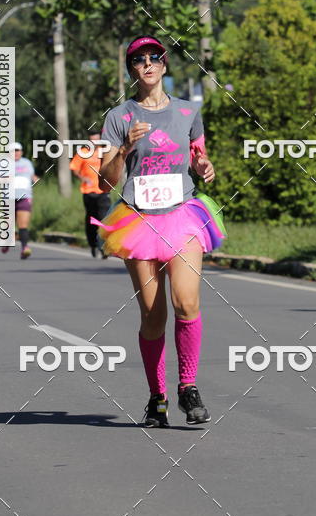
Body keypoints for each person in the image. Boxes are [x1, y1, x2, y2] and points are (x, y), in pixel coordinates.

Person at [92, 36, 226, 428]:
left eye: (154, 57)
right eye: (139, 59)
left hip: (183, 215)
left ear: (165, 65)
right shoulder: (119, 117)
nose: (147, 64)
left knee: (187, 302)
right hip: (139, 221)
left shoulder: (188, 112)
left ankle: (188, 387)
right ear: (132, 69)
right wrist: (123, 150)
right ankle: (157, 398)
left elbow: (199, 157)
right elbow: (104, 182)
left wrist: (204, 168)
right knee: (154, 316)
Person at [69, 132, 111, 258]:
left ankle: (104, 246)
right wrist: (82, 178)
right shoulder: (83, 152)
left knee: (104, 218)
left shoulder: (105, 152)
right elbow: (74, 168)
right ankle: (93, 244)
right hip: (88, 191)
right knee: (91, 219)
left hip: (103, 191)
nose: (94, 143)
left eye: (97, 140)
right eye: (92, 141)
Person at [1, 142, 38, 259]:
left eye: (18, 150)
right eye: (13, 151)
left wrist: (35, 179)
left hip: (24, 197)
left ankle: (25, 248)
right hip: (9, 198)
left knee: (23, 225)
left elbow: (32, 176)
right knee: (8, 224)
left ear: (21, 152)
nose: (16, 153)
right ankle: (7, 242)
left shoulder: (27, 163)